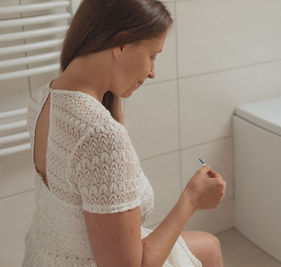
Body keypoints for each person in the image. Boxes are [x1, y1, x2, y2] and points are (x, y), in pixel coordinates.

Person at [22, 0, 226, 266]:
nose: (153, 72)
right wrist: (191, 199)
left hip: (43, 256)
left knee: (209, 245)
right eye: (152, 56)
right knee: (210, 247)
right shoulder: (100, 135)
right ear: (120, 44)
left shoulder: (43, 98)